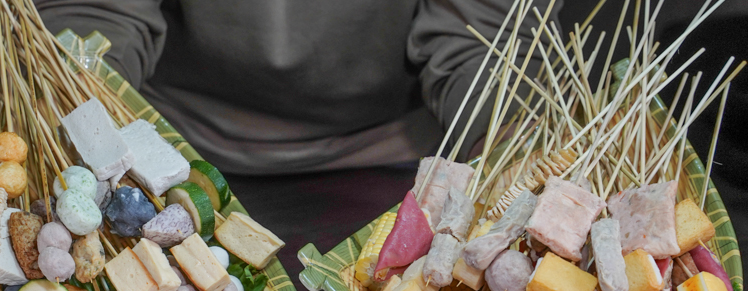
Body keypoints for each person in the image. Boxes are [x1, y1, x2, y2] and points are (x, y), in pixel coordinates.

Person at [35, 0, 557, 175]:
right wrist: (81, 122)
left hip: (398, 163)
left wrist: (514, 144)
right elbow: (96, 17)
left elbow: (484, 39)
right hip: (167, 149)